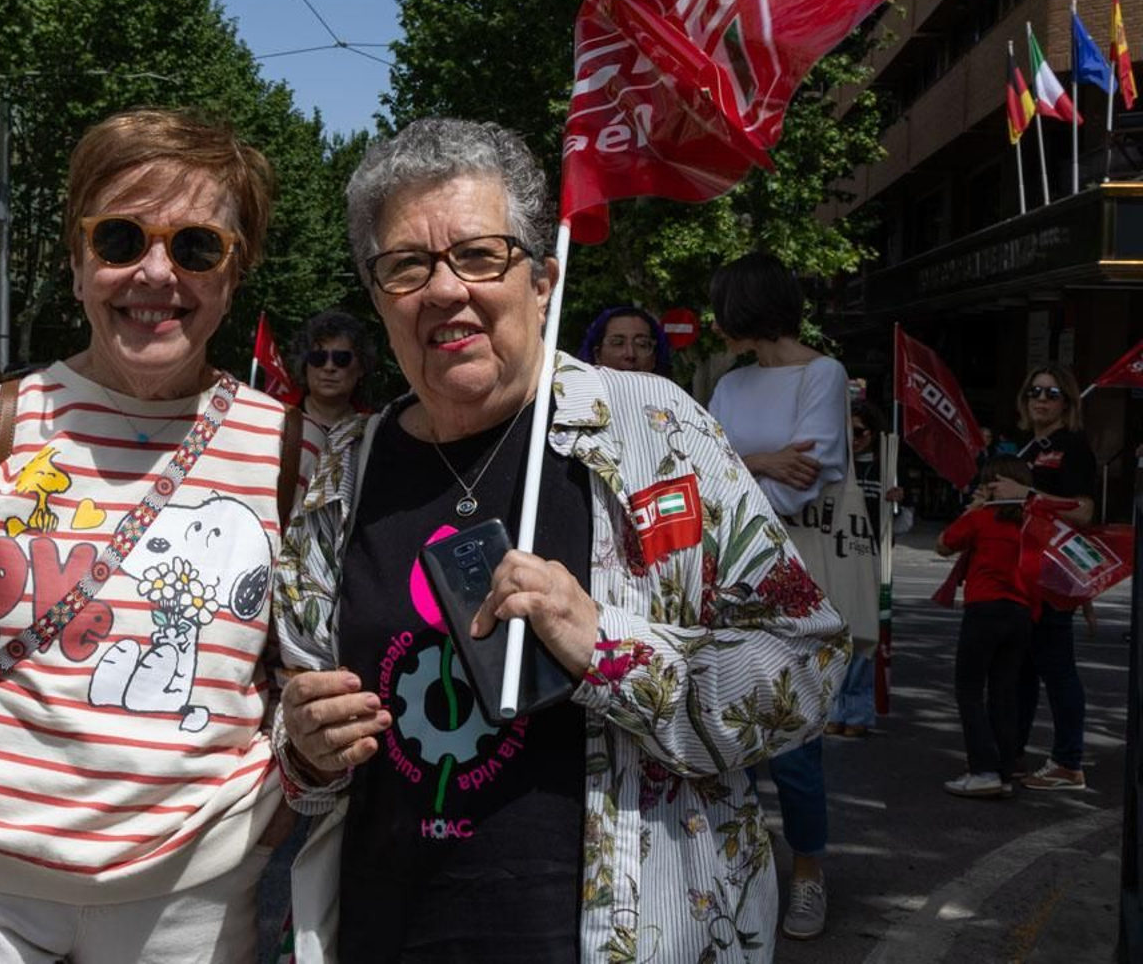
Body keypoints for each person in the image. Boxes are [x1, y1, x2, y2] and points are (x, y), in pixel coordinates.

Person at [272, 119, 848, 963]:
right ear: (378, 295)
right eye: (407, 265)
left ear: (542, 281)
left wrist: (607, 649)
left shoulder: (657, 433)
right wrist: (308, 751)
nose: (445, 289)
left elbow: (809, 664)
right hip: (386, 933)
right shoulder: (344, 478)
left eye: (479, 255)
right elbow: (298, 740)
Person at [0, 109, 321, 964]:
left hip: (187, 905)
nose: (156, 271)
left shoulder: (293, 453)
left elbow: (306, 686)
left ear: (235, 272)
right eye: (120, 239)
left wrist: (270, 811)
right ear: (77, 264)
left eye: (196, 247)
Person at [705, 252, 848, 941]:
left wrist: (735, 468)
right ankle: (744, 872)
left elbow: (806, 482)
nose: (715, 321)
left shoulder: (824, 374)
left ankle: (809, 872)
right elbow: (697, 468)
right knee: (730, 736)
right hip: (725, 579)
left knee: (795, 744)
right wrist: (761, 460)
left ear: (745, 307)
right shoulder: (731, 382)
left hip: (795, 580)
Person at [998, 363, 1096, 791]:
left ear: (1067, 402)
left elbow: (1084, 511)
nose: (1041, 399)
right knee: (1019, 668)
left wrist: (1026, 494)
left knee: (1057, 668)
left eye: (1052, 393)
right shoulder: (1023, 448)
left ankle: (1068, 762)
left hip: (1053, 573)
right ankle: (1012, 752)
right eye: (1034, 391)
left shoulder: (1073, 447)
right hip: (1018, 572)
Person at [935, 456, 1038, 798]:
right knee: (1004, 693)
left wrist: (972, 509)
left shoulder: (981, 518)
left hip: (985, 608)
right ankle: (1004, 769)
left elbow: (943, 544)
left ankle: (982, 769)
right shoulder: (1032, 523)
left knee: (969, 690)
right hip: (1020, 612)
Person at [825, 401, 912, 738]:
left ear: (874, 434)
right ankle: (834, 709)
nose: (853, 439)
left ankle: (858, 712)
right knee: (834, 636)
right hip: (836, 560)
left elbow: (903, 524)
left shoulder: (886, 468)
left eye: (859, 432)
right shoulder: (834, 466)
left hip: (872, 562)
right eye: (848, 432)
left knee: (864, 639)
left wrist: (898, 502)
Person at [290, 308, 376, 429]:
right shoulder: (279, 419)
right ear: (305, 365)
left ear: (361, 367)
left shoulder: (375, 430)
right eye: (318, 357)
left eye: (341, 358)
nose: (329, 367)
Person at [577, 303, 673, 375]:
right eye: (618, 343)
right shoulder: (578, 395)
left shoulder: (671, 395)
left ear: (654, 357)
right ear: (597, 355)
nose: (630, 354)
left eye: (642, 344)